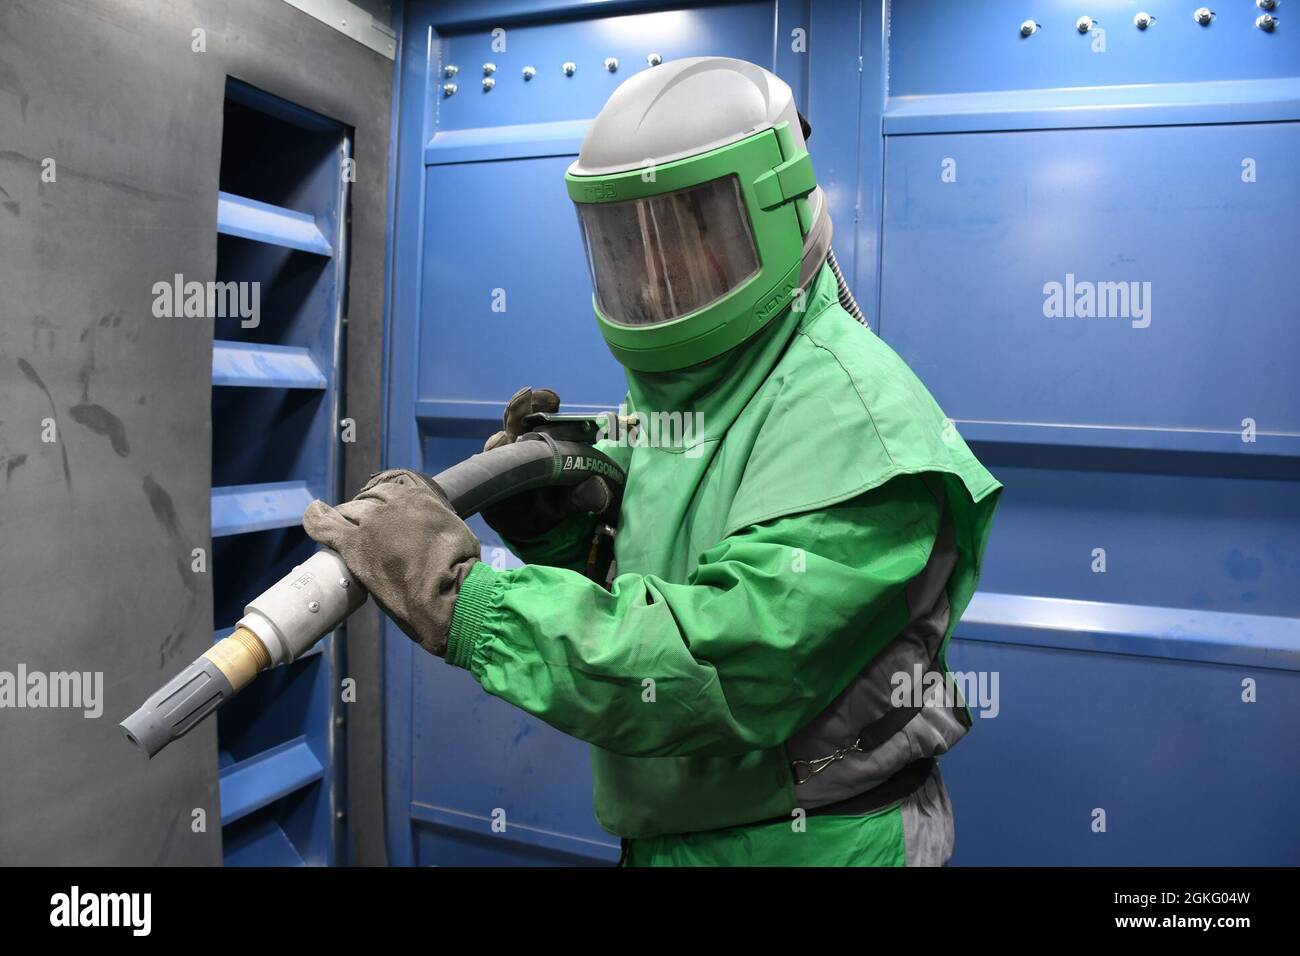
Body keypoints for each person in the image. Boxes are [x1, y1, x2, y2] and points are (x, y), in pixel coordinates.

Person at [304, 57, 1001, 866]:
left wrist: (470, 603)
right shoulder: (697, 388)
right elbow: (659, 572)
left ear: (773, 215)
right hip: (681, 834)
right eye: (629, 245)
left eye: (693, 234)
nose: (659, 273)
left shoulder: (860, 424)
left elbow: (716, 663)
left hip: (816, 845)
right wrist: (573, 541)